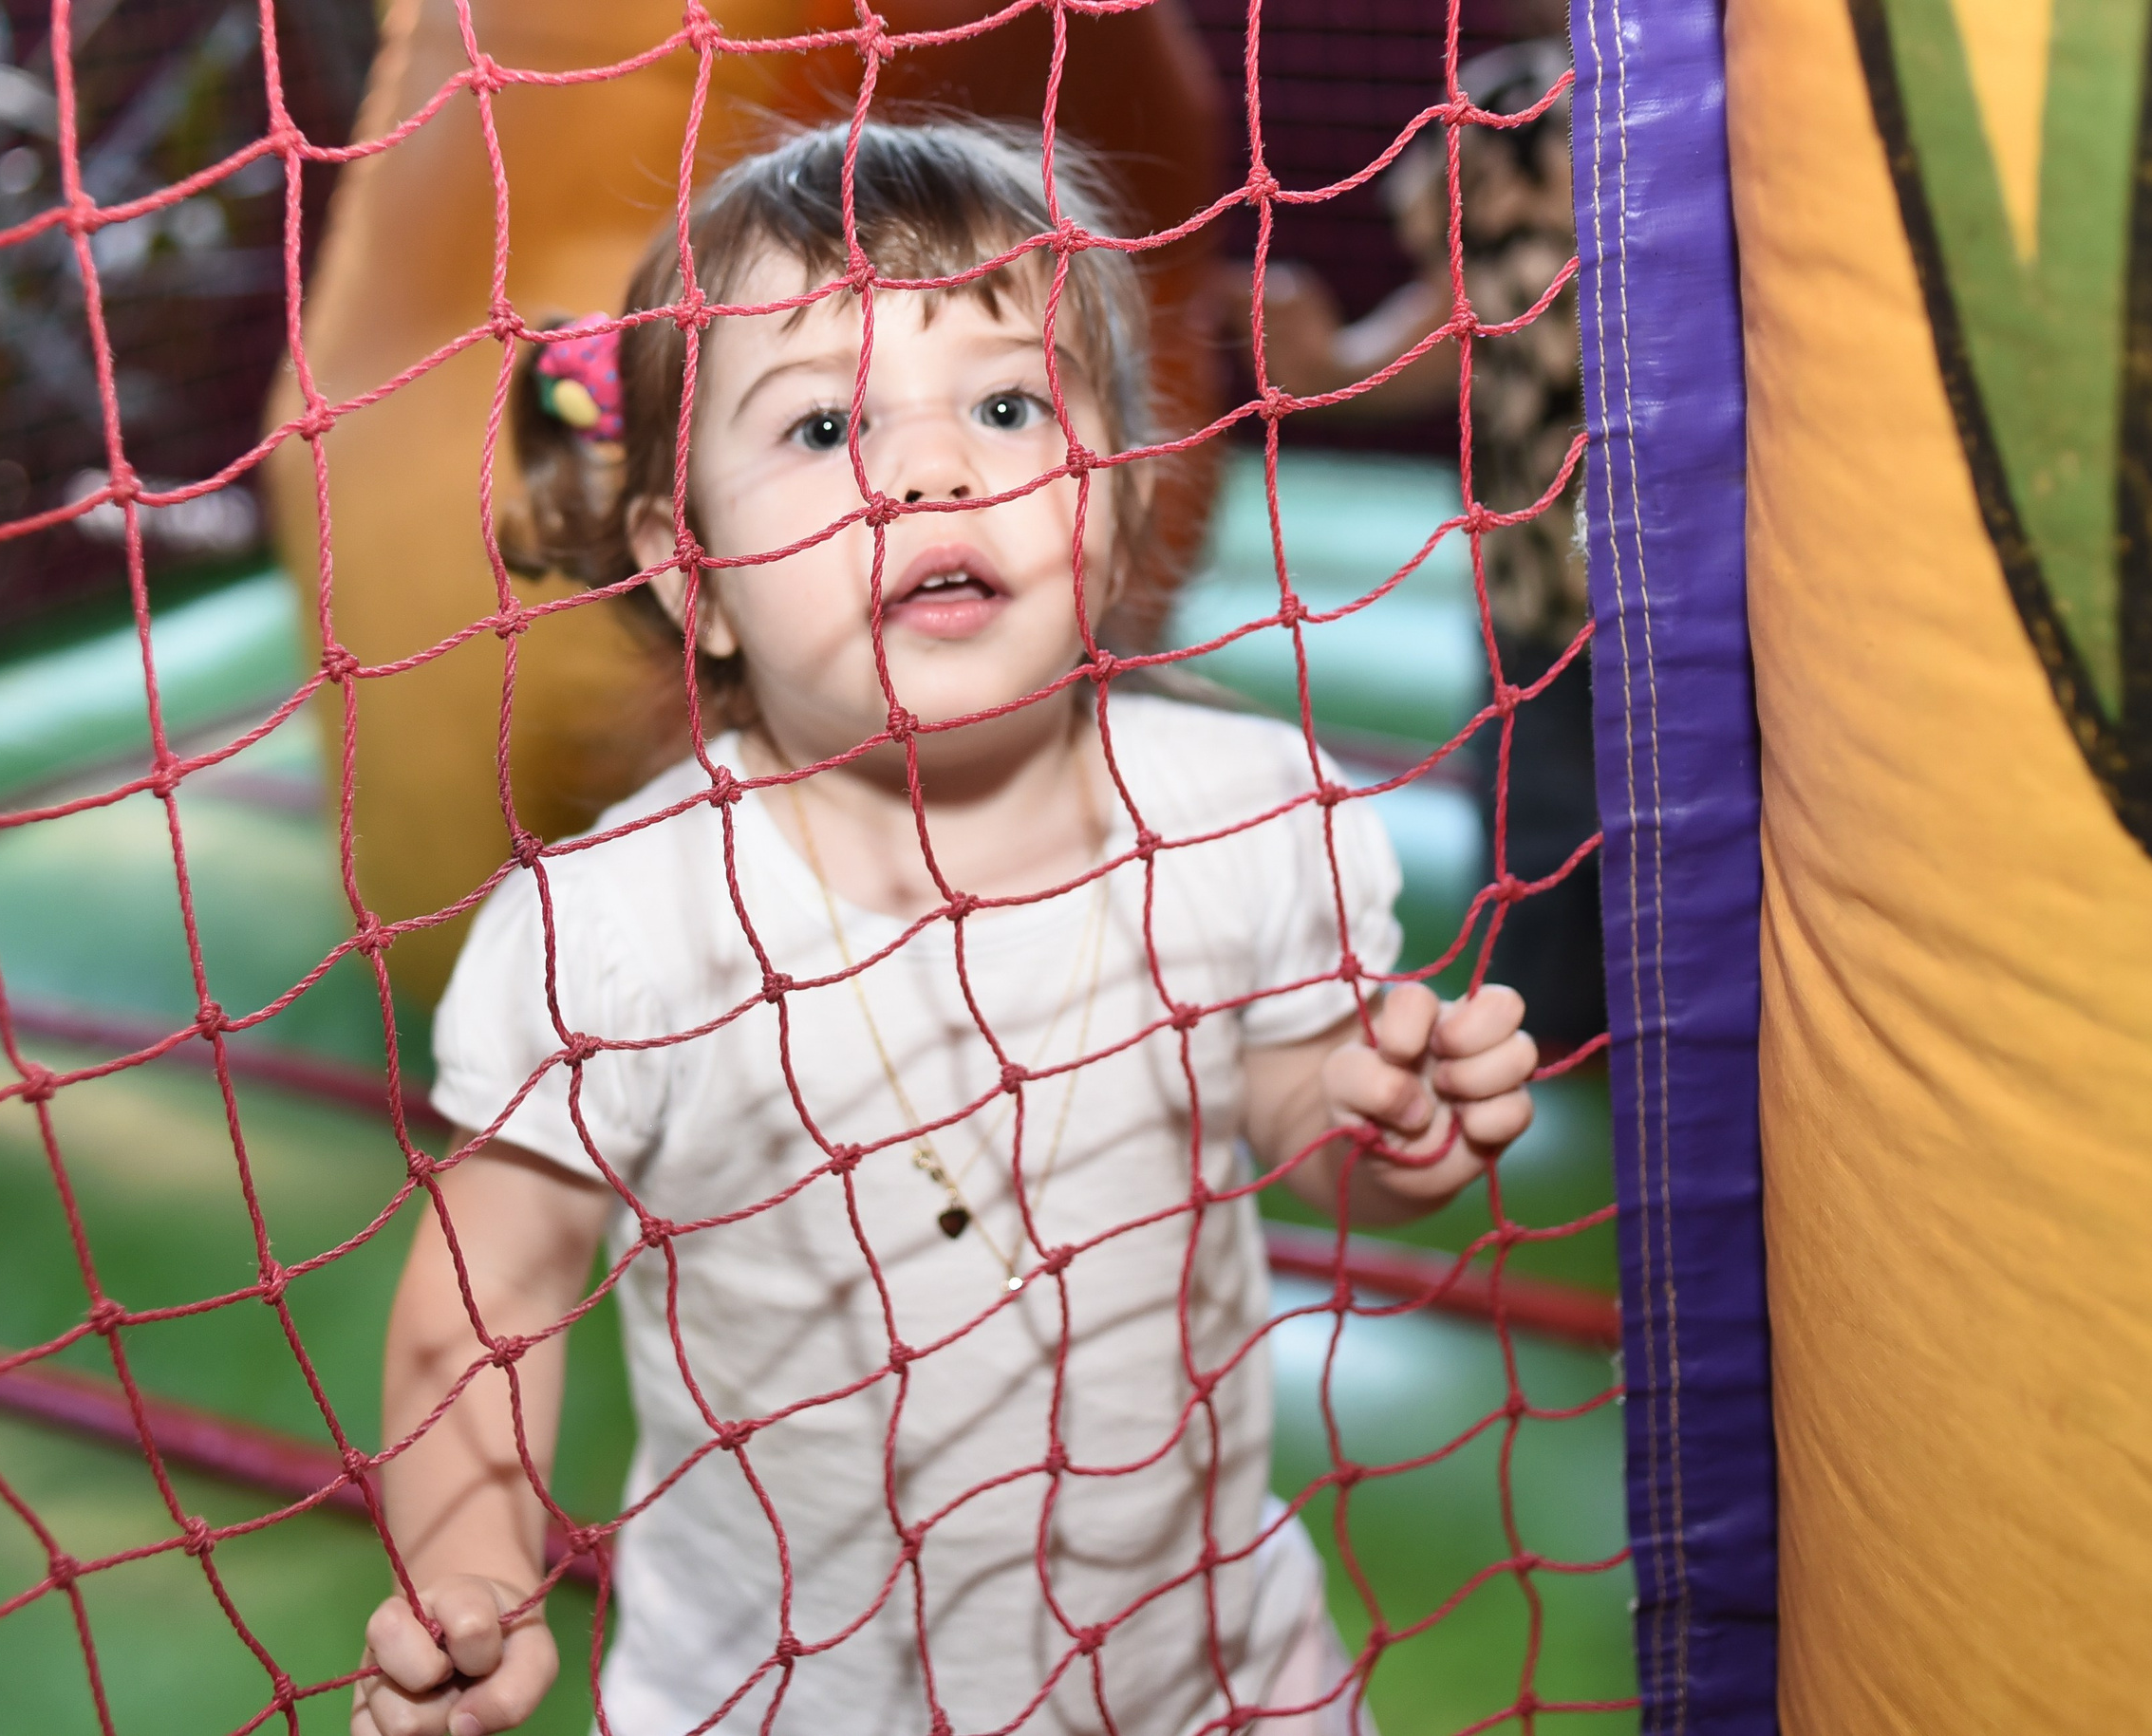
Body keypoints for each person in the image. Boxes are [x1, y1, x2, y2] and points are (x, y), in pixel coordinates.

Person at [350, 119, 1541, 1736]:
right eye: (828, 423)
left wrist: (1378, 1116)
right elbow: (489, 1282)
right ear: (690, 577)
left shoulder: (1244, 809)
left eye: (1004, 404)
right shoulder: (630, 925)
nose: (930, 467)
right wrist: (472, 1566)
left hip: (1213, 1674)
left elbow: (1284, 1102)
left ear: (1118, 509)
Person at [1236, 37, 1603, 1052]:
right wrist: (1328, 366)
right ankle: (1549, 1028)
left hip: (1683, 582)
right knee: (1544, 804)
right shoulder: (1506, 112)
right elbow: (1463, 320)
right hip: (1546, 577)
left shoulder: (1728, 105)